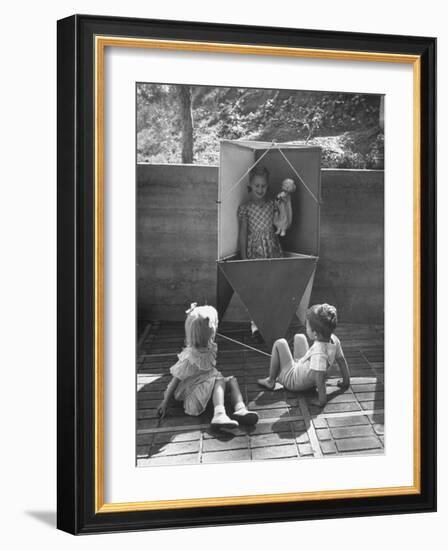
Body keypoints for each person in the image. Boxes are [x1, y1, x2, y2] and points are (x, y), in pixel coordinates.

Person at [157, 303, 258, 428]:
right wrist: (165, 402)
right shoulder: (189, 358)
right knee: (219, 381)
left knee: (232, 380)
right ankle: (219, 415)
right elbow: (175, 381)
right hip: (193, 394)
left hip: (205, 382)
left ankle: (240, 409)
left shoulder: (210, 347)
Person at [257, 303, 351, 407]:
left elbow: (320, 379)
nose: (306, 328)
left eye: (307, 326)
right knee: (300, 337)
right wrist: (346, 382)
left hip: (293, 381)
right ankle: (292, 366)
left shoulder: (318, 354)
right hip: (305, 375)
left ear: (315, 334)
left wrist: (322, 400)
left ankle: (271, 380)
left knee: (280, 343)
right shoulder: (334, 340)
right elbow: (341, 361)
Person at [238, 164, 282, 341]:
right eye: (257, 185)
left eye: (263, 186)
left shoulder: (272, 204)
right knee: (257, 289)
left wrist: (286, 203)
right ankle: (255, 326)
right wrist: (244, 257)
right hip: (254, 252)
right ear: (250, 185)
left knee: (272, 287)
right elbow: (243, 233)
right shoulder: (246, 208)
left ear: (267, 186)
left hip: (272, 250)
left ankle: (271, 323)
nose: (260, 189)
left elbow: (282, 222)